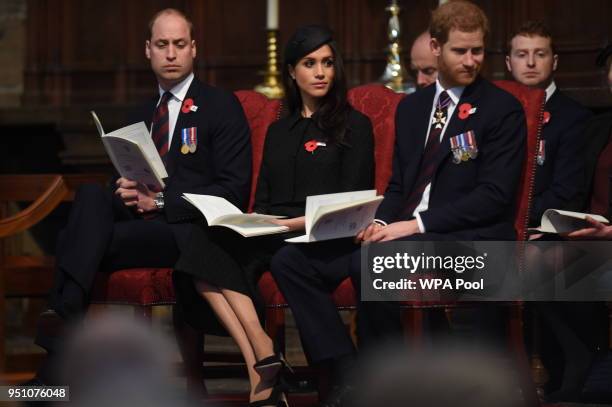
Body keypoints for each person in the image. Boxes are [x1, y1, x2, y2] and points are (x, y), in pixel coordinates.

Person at [272, 2, 526, 406]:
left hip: (469, 238)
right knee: (292, 261)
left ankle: (390, 380)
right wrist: (382, 222)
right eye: (461, 51)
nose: (471, 60)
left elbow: (493, 199)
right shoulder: (413, 108)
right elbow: (399, 186)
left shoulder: (501, 110)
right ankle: (347, 369)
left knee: (371, 262)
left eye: (478, 50)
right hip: (405, 232)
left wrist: (414, 225)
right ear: (436, 47)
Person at [33, 8, 252, 384]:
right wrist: (124, 193)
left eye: (179, 44)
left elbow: (233, 190)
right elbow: (132, 188)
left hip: (189, 233)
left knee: (74, 239)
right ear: (147, 50)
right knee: (92, 195)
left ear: (194, 49)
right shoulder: (140, 114)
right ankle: (62, 339)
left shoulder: (221, 106)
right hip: (140, 225)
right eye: (162, 45)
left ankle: (61, 332)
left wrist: (162, 203)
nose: (171, 54)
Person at [172, 25, 374, 406]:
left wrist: (291, 224)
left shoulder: (355, 126)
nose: (320, 72)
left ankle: (307, 367)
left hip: (324, 234)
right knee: (202, 245)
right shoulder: (279, 131)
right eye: (309, 63)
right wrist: (250, 221)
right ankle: (262, 352)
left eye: (328, 63)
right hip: (272, 228)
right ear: (291, 72)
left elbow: (353, 202)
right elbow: (263, 198)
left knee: (284, 260)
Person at [505, 21, 592, 228]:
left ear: (554, 61)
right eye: (522, 54)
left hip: (545, 231)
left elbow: (568, 193)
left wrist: (510, 216)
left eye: (540, 54)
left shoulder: (575, 117)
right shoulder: (495, 112)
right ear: (509, 63)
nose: (531, 63)